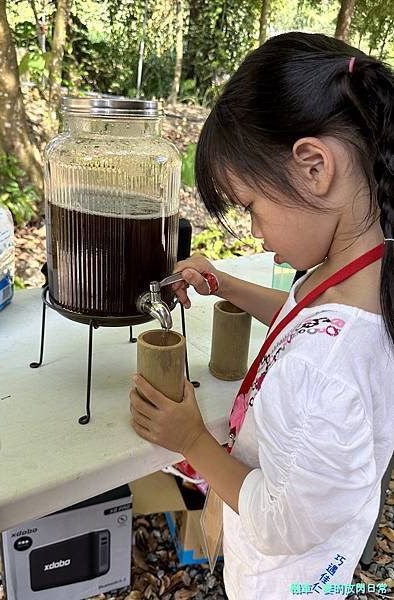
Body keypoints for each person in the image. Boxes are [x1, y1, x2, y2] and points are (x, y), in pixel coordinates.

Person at [129, 31, 394, 599]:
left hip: (284, 581)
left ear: (313, 166)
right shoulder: (363, 272)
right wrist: (223, 282)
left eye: (251, 208)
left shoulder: (324, 371)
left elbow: (281, 523)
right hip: (318, 547)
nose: (253, 230)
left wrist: (193, 439)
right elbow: (305, 315)